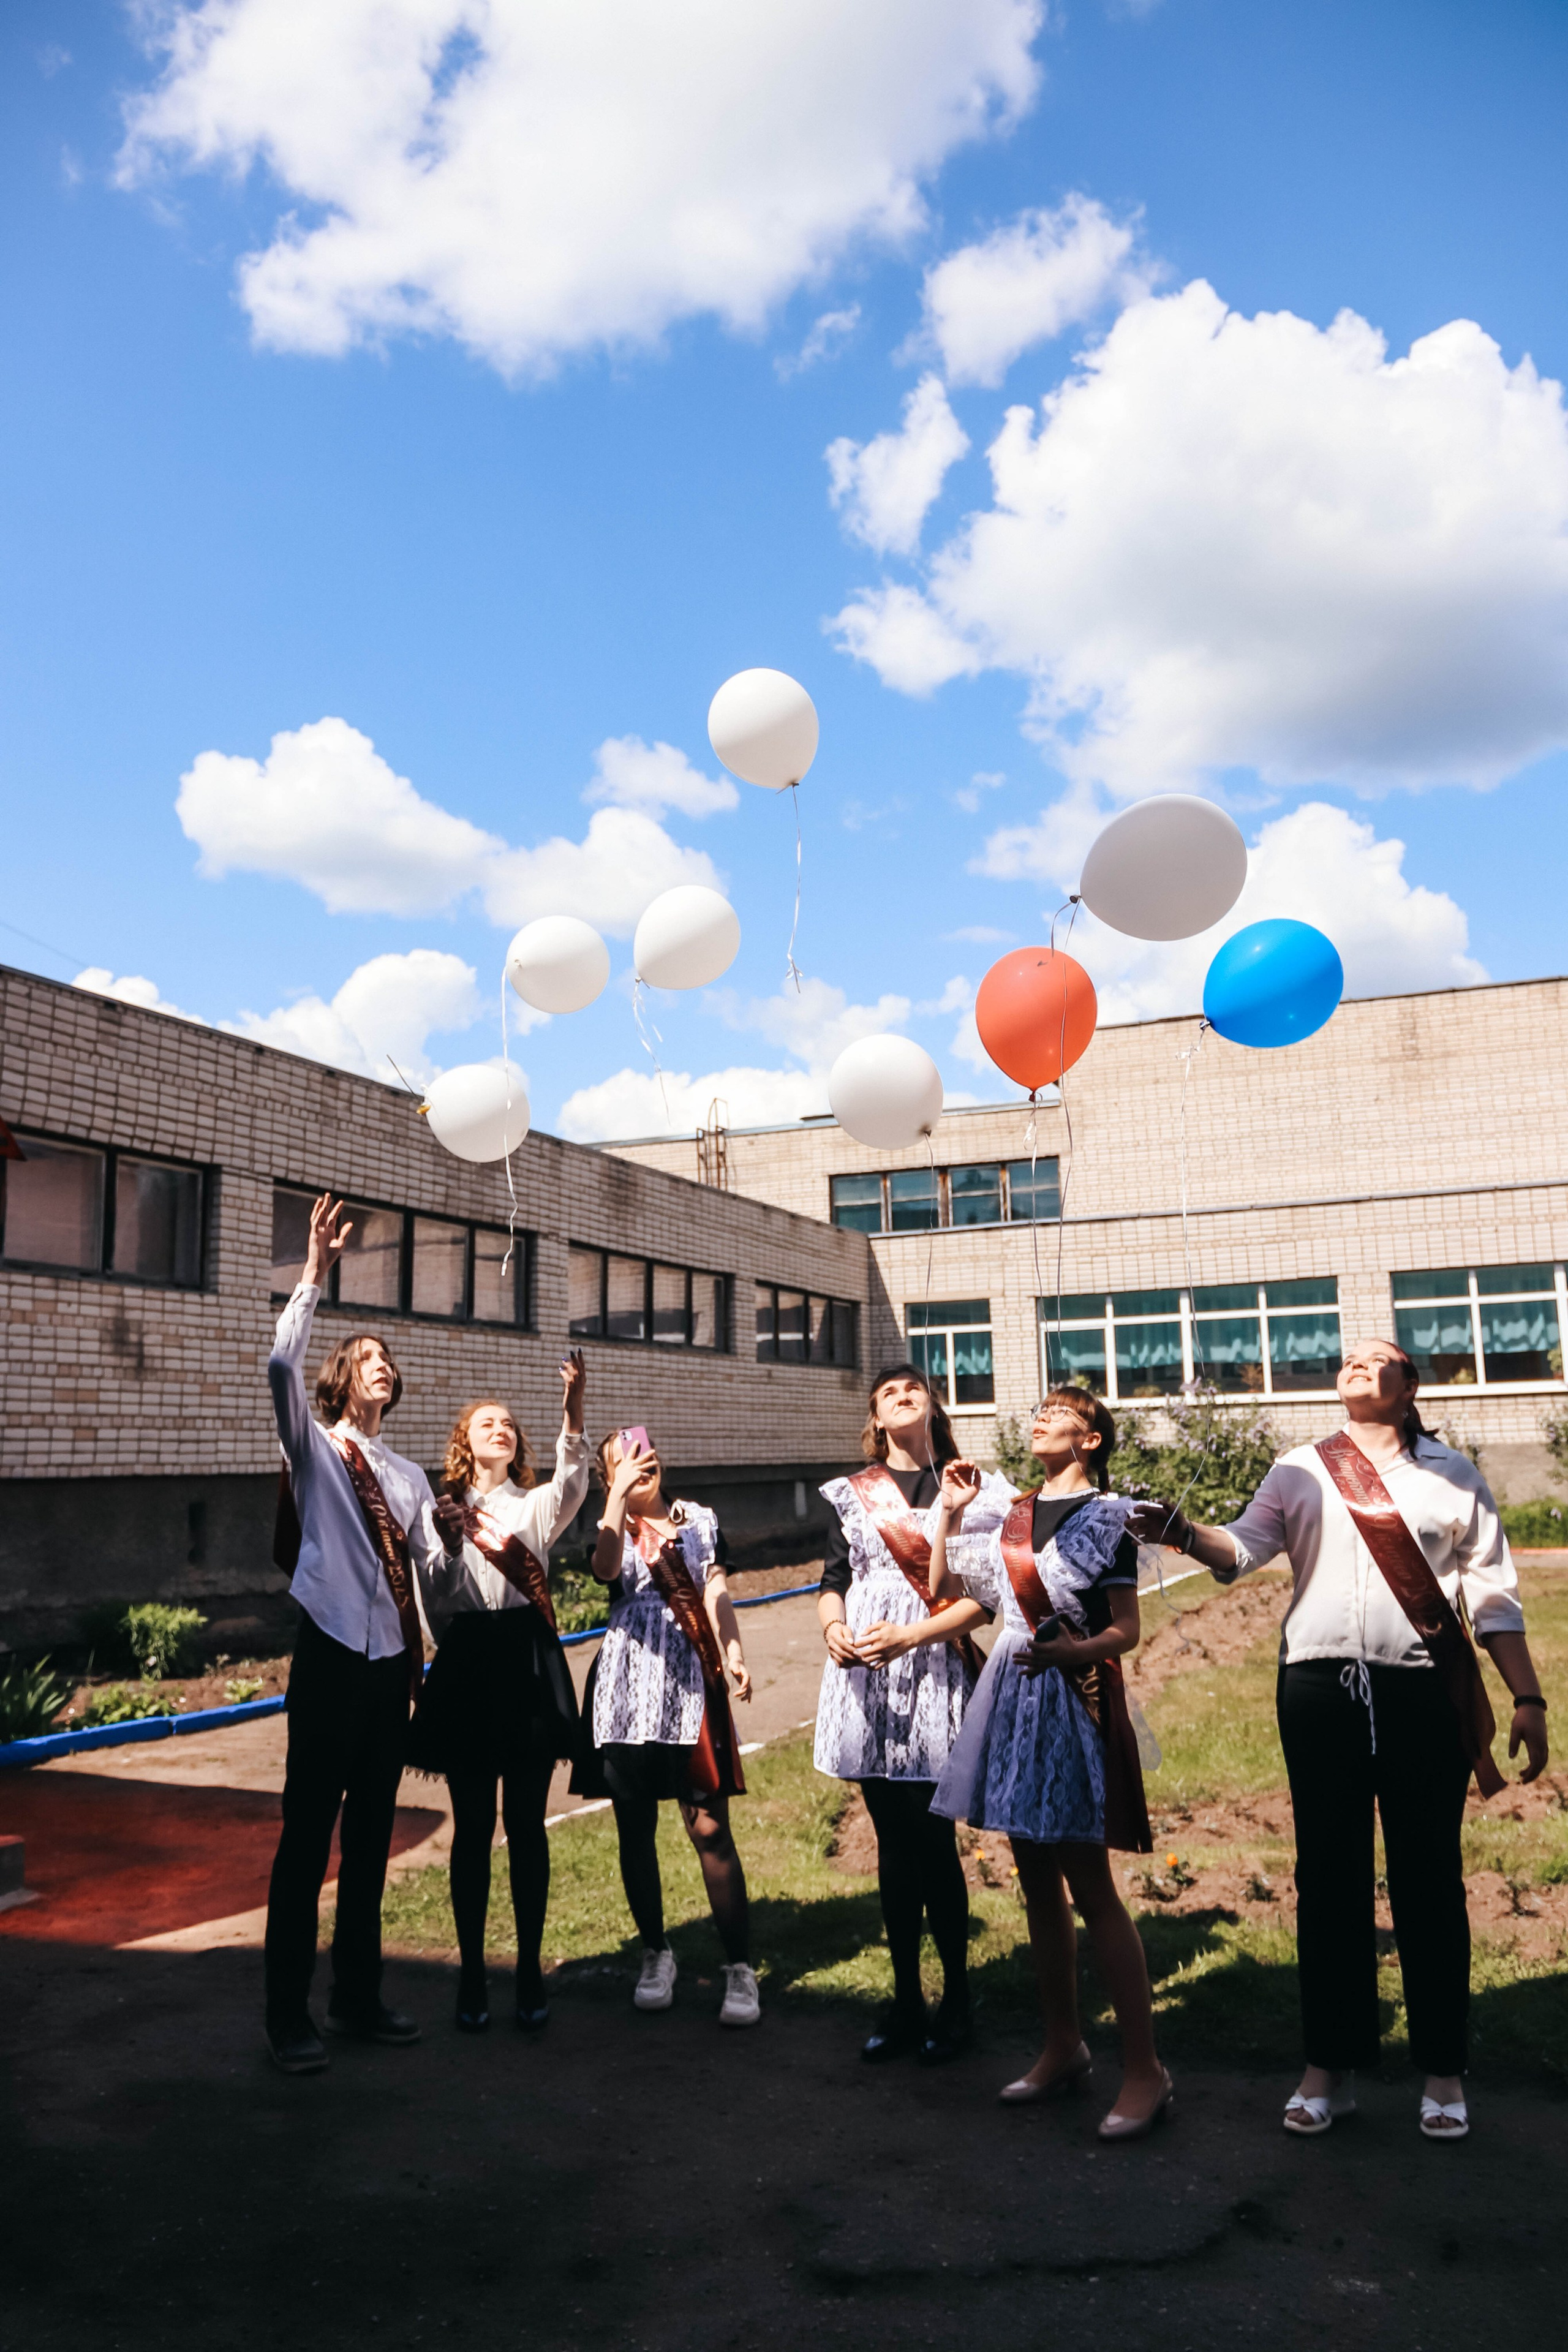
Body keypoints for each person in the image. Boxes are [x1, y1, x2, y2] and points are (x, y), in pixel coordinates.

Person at [1128, 1338, 1550, 2143]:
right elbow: (1242, 1549)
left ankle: (1443, 2068)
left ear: (1409, 1386)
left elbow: (1494, 1595)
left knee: (1429, 1877)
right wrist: (1183, 1531)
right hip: (1319, 1690)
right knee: (1327, 1875)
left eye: (1378, 1357)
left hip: (1424, 1692)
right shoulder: (1300, 1468)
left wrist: (1525, 1695)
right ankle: (1330, 2068)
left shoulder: (1452, 1476)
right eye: (1349, 1357)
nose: (1357, 1363)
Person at [929, 1389, 1169, 2139]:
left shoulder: (1113, 1516)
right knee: (1035, 1882)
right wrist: (946, 1512)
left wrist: (1074, 1651)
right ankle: (1063, 2047)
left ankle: (1144, 2072)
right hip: (1011, 1697)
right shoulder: (1011, 1511)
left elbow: (1126, 1630)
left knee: (1090, 1887)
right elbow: (946, 1590)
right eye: (1038, 1410)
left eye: (1058, 1412)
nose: (1039, 1417)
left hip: (1071, 1700)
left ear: (1090, 1438)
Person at [264, 1193, 445, 2075]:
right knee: (309, 1838)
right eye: (364, 1357)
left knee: (371, 1838)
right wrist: (313, 1276)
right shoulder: (315, 1446)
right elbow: (274, 1366)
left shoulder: (406, 1473)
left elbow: (431, 1568)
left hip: (389, 1671)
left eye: (386, 1358)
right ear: (341, 1379)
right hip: (331, 1657)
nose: (379, 1366)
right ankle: (286, 2014)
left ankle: (358, 1998)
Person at [815, 1364, 1011, 2066]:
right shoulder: (852, 1493)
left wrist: (911, 1637)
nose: (902, 1397)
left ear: (932, 1406)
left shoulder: (971, 1489)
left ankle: (956, 1998)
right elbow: (832, 1580)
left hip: (931, 1670)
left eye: (913, 1390)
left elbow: (984, 1601)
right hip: (868, 1678)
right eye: (888, 1393)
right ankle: (904, 2000)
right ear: (874, 1416)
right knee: (891, 1843)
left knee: (933, 1841)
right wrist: (833, 1628)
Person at [412, 1357, 590, 2034]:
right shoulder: (443, 1512)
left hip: (525, 1660)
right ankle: (471, 1974)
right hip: (468, 1664)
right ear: (465, 1441)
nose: (503, 1430)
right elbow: (437, 1605)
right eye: (489, 1423)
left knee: (525, 1826)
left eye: (512, 1425)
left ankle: (527, 1970)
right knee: (472, 1829)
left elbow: (573, 1481)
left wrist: (572, 1405)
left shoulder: (532, 1505)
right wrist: (452, 1547)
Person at [573, 1427, 760, 2027]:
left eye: (644, 1455)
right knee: (634, 1826)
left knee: (708, 1828)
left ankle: (740, 1968)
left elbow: (715, 1590)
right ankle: (656, 1953)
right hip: (627, 1690)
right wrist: (615, 1502)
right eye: (623, 1462)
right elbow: (605, 1571)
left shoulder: (698, 1519)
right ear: (609, 1477)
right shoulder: (611, 1529)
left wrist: (732, 1651)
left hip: (689, 1681)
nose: (638, 1464)